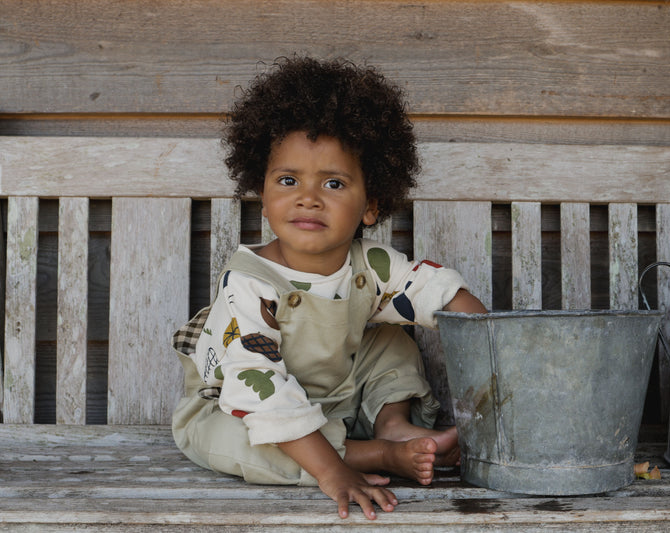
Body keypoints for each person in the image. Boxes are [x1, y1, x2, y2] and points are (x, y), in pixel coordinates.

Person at [171, 56, 487, 521]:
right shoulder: (250, 282)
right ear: (262, 193)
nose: (309, 197)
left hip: (341, 398)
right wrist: (332, 474)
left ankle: (394, 426)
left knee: (389, 336)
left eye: (334, 183)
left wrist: (498, 343)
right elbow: (260, 391)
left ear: (370, 207)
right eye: (288, 180)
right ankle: (376, 454)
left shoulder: (370, 263)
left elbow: (431, 288)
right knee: (247, 444)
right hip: (240, 406)